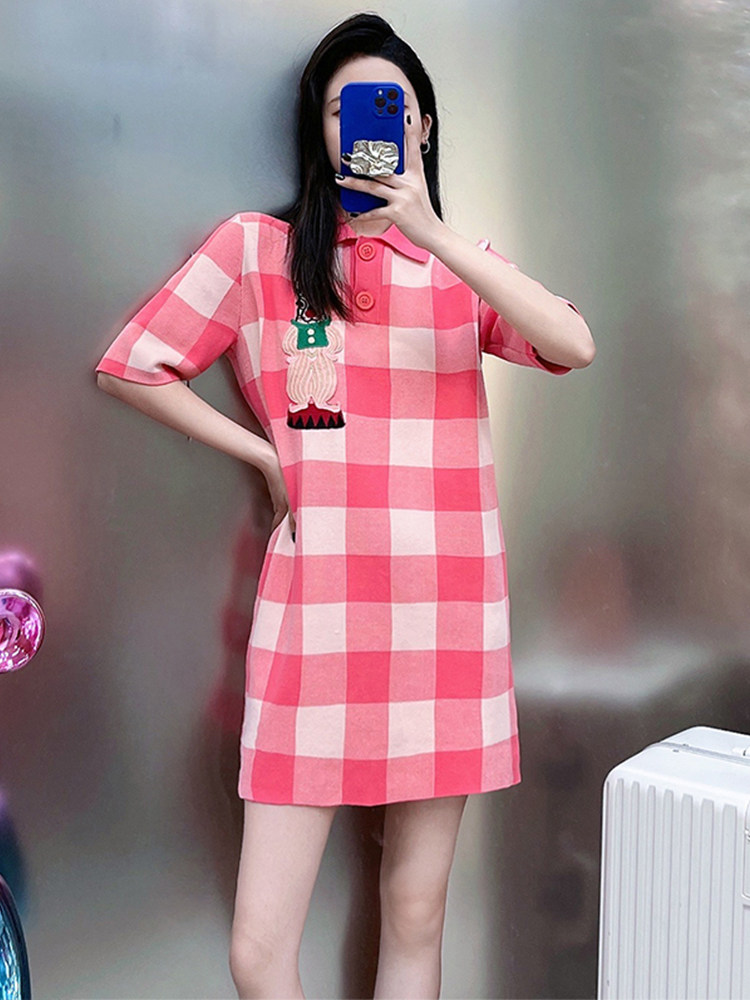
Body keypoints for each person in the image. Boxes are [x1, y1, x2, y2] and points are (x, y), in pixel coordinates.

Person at [94, 11, 595, 999]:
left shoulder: (459, 270)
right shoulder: (257, 252)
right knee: (258, 949)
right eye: (342, 108)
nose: (362, 124)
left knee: (415, 911)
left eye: (388, 106)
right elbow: (131, 366)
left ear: (423, 128)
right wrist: (262, 453)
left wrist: (430, 232)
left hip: (446, 624)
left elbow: (573, 344)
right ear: (318, 129)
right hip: (316, 621)